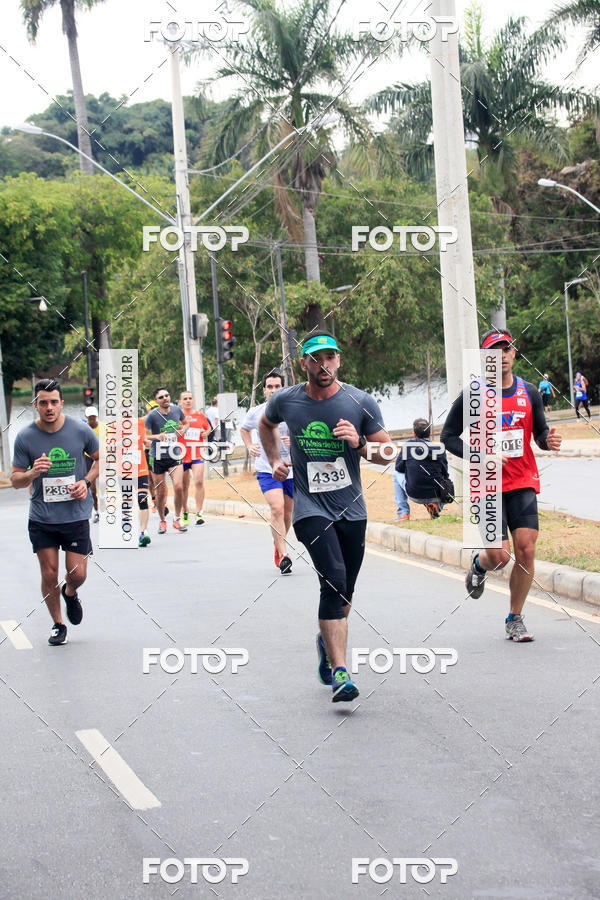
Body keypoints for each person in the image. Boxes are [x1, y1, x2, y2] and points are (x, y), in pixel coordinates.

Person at [259, 332, 393, 702]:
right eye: (316, 358)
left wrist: (360, 444)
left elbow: (389, 453)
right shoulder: (287, 400)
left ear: (339, 360)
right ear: (303, 363)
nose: (324, 365)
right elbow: (266, 425)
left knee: (345, 590)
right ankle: (341, 671)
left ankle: (326, 640)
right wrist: (274, 459)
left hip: (352, 510)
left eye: (330, 357)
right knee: (332, 579)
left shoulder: (359, 401)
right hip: (310, 508)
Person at [440, 329, 562, 642]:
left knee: (526, 549)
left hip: (522, 480)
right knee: (499, 557)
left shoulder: (529, 391)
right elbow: (448, 437)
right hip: (487, 485)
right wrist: (481, 456)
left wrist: (547, 441)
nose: (501, 356)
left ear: (513, 353)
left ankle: (514, 618)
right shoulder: (473, 394)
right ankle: (479, 565)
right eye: (494, 351)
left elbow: (540, 433)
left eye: (506, 349)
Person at [10, 379, 99, 646]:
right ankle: (58, 624)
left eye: (53, 402)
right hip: (43, 517)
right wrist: (32, 473)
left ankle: (70, 592)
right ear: (35, 405)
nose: (49, 407)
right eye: (43, 403)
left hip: (75, 515)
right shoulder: (25, 437)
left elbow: (101, 460)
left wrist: (86, 482)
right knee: (49, 573)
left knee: (78, 574)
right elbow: (15, 480)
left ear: (61, 403)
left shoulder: (80, 430)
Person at [241, 369, 294, 570]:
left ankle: (278, 542)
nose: (273, 390)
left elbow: (304, 432)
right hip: (267, 468)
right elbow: (244, 429)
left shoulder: (292, 410)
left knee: (287, 514)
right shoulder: (256, 412)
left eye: (277, 386)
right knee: (277, 508)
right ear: (264, 390)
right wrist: (249, 446)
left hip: (291, 468)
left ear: (283, 388)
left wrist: (294, 442)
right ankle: (284, 554)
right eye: (269, 387)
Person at [145, 387, 188, 534]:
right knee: (161, 491)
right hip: (157, 456)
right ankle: (162, 521)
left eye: (167, 395)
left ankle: (177, 519)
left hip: (174, 454)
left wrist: (183, 430)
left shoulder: (176, 410)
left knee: (179, 486)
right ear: (156, 401)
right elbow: (143, 435)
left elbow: (186, 423)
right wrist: (156, 437)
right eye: (161, 397)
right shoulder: (152, 416)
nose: (165, 398)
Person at [397, 418, 450, 519]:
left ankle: (403, 513)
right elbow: (445, 472)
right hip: (436, 494)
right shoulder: (439, 448)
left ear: (414, 434)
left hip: (415, 493)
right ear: (429, 433)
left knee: (396, 475)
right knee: (445, 480)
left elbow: (399, 468)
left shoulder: (408, 446)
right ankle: (437, 506)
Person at [179, 390, 211, 526]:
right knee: (183, 486)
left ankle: (199, 513)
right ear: (180, 402)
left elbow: (208, 428)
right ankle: (185, 511)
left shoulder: (199, 415)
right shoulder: (177, 416)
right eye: (185, 399)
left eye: (190, 398)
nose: (188, 401)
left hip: (197, 453)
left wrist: (206, 433)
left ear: (193, 400)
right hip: (181, 455)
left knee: (198, 481)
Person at [135, 414, 152, 547]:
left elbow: (143, 438)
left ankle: (143, 532)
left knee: (142, 499)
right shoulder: (114, 426)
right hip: (123, 470)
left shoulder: (140, 423)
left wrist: (146, 442)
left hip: (140, 467)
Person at [83, 406, 100, 522]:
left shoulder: (103, 427)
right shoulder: (83, 428)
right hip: (88, 458)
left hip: (102, 457)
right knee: (92, 489)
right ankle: (97, 512)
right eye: (90, 417)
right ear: (86, 417)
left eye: (93, 416)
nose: (92, 419)